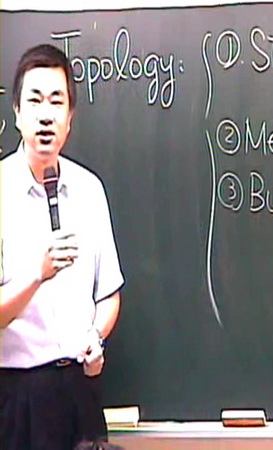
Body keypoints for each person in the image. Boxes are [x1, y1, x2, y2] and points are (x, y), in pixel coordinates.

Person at [0, 44, 124, 450]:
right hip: (17, 398)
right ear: (17, 112)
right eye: (35, 100)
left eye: (57, 102)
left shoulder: (89, 190)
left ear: (70, 118)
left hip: (79, 394)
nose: (46, 114)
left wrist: (96, 335)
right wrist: (37, 276)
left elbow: (108, 293)